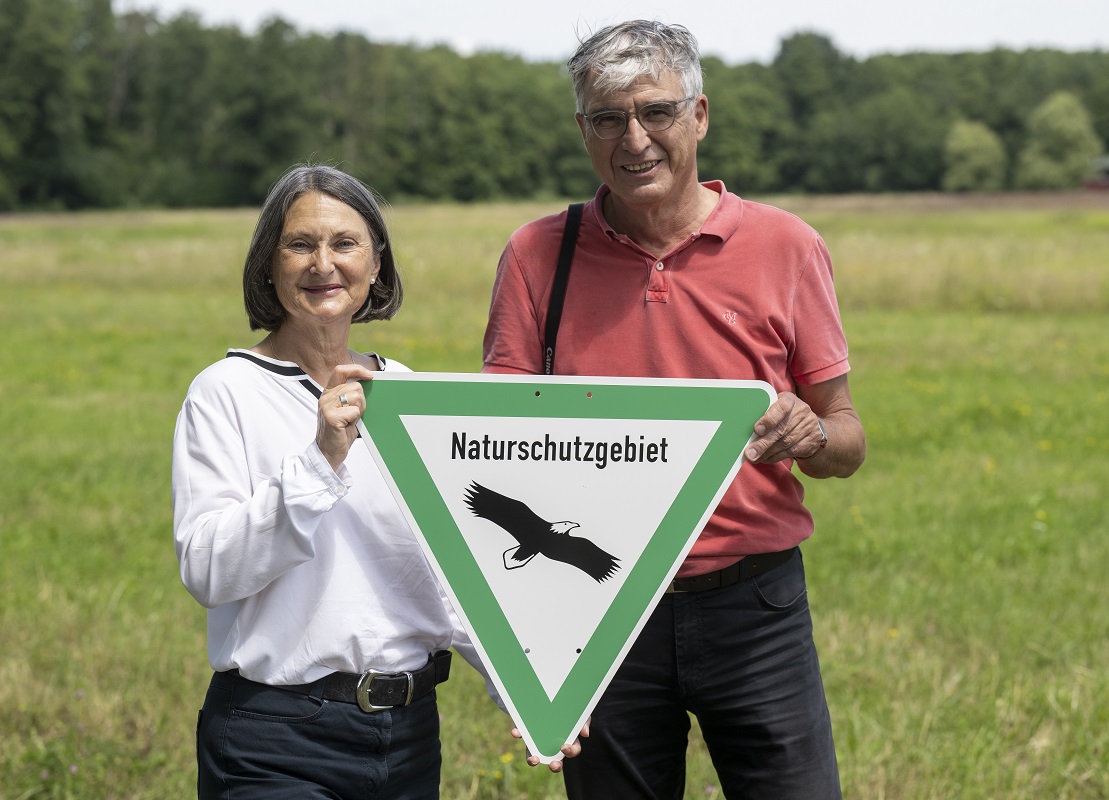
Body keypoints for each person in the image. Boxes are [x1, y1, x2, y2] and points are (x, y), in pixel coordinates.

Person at [482, 20, 866, 800]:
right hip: (599, 612)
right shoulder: (535, 255)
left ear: (698, 116)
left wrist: (812, 431)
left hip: (754, 605)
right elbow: (495, 445)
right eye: (608, 118)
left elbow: (848, 437)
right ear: (583, 131)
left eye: (656, 112)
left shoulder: (787, 246)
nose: (635, 139)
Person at [172, 164, 575, 799]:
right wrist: (320, 459)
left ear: (377, 264)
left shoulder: (409, 394)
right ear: (269, 265)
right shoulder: (225, 393)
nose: (322, 264)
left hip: (408, 737)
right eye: (300, 244)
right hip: (272, 738)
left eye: (345, 243)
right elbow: (207, 570)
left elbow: (452, 571)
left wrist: (528, 695)